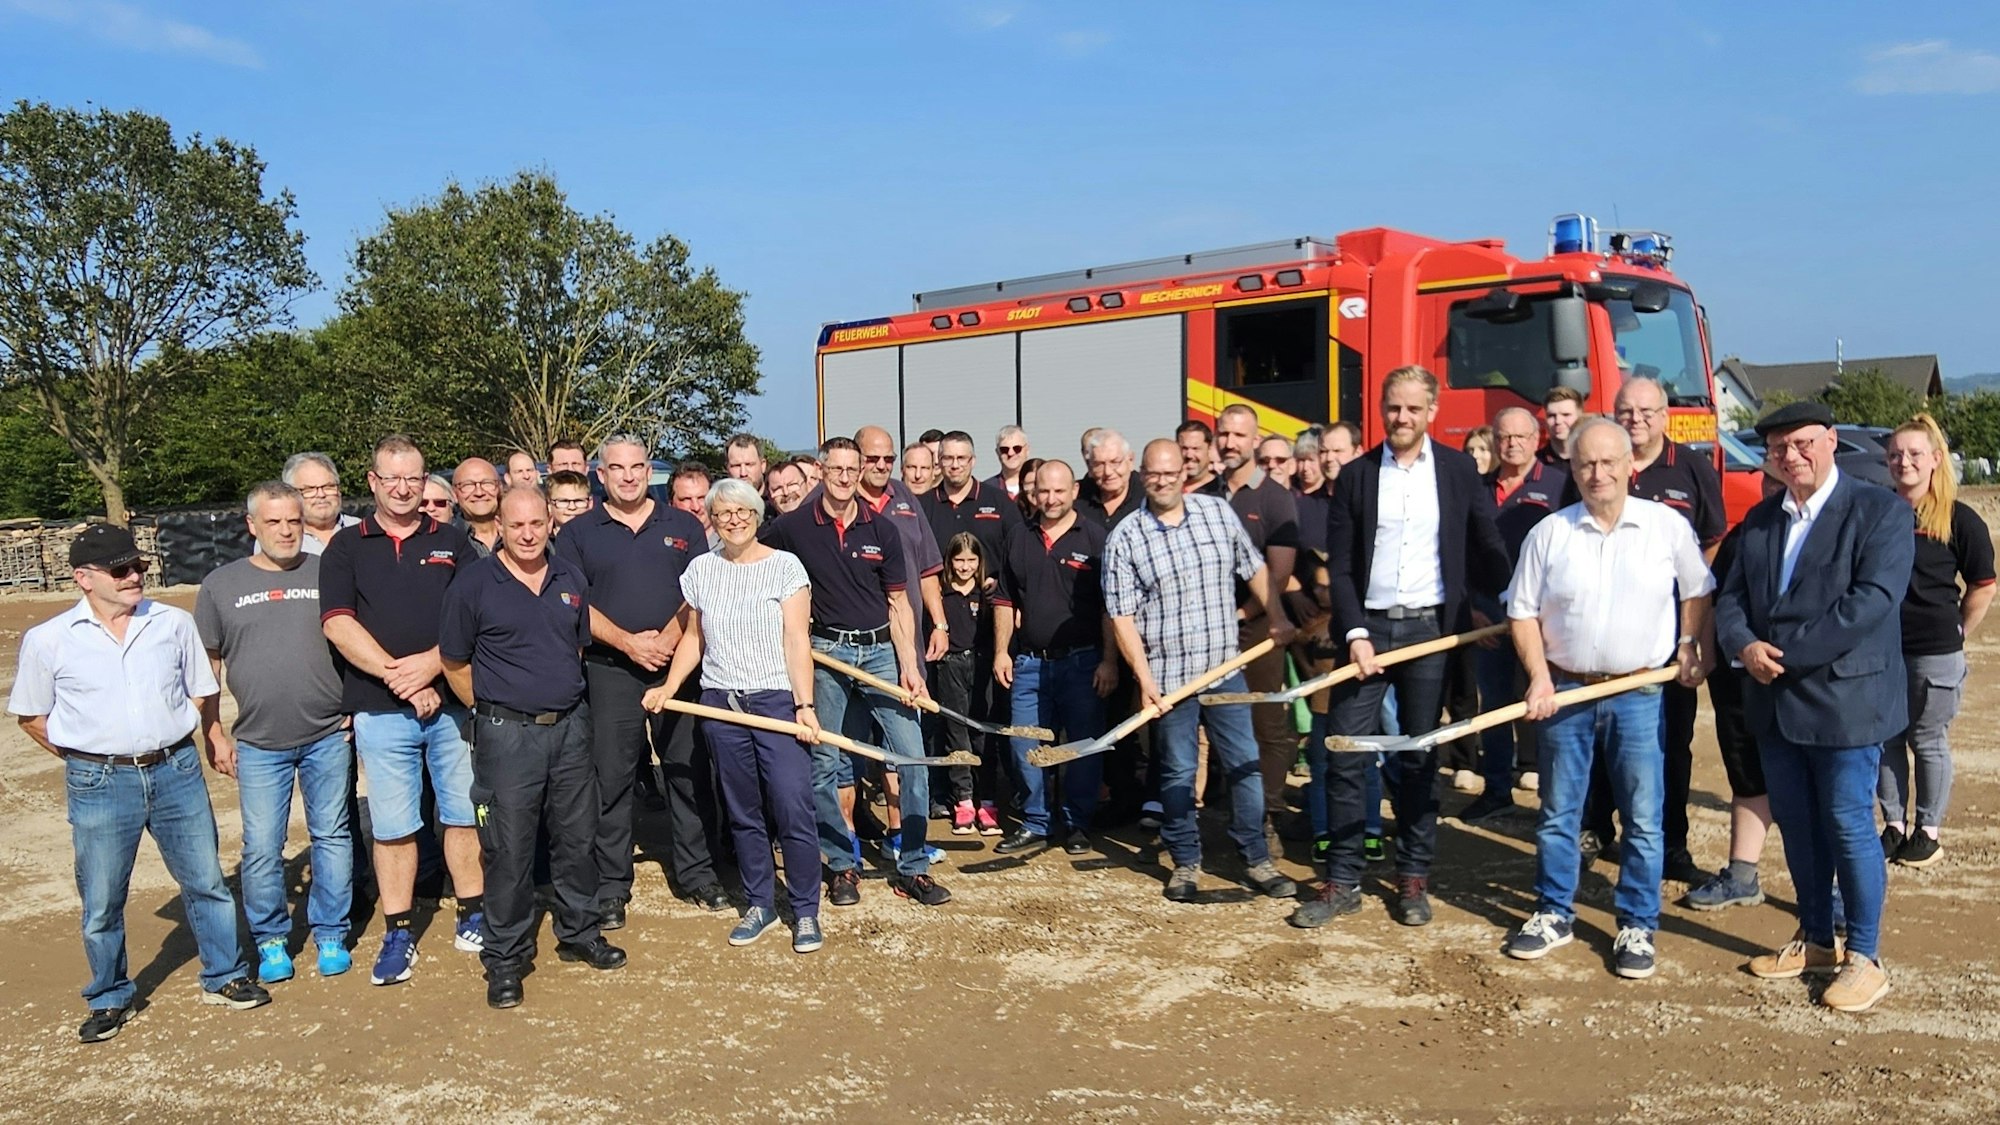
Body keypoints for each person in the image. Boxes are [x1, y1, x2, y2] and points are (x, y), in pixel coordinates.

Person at [10, 524, 273, 1041]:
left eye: (139, 567)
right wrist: (87, 756)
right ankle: (109, 996)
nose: (134, 576)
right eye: (120, 570)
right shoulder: (49, 640)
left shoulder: (172, 624)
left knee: (206, 882)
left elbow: (203, 690)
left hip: (175, 770)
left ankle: (225, 975)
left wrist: (214, 736)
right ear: (84, 578)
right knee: (103, 895)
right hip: (100, 781)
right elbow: (31, 716)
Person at [1500, 418, 1715, 979]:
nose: (1598, 473)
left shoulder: (1665, 527)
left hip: (1639, 691)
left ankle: (1637, 923)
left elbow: (1698, 589)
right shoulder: (1549, 533)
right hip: (1566, 691)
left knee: (1643, 817)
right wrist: (1539, 677)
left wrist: (1690, 644)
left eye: (1607, 462)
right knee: (1558, 814)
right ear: (1572, 469)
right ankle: (1553, 912)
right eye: (1586, 464)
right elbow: (1520, 612)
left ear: (1628, 467)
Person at [1718, 401, 1915, 1014]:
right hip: (1774, 703)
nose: (1791, 456)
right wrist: (1743, 645)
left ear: (1830, 441)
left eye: (1803, 443)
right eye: (1779, 448)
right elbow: (1729, 600)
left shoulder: (1878, 510)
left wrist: (1782, 654)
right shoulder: (1756, 523)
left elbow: (1871, 601)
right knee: (1799, 828)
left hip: (1846, 702)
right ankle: (1816, 937)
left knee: (1848, 823)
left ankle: (1865, 956)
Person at [1296, 365, 1509, 930]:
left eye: (1413, 409)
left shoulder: (1460, 471)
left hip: (1430, 632)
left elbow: (1485, 543)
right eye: (1393, 408)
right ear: (1382, 408)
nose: (1402, 418)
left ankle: (1413, 875)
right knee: (1343, 751)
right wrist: (1356, 632)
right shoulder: (1360, 476)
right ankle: (1341, 880)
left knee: (1419, 754)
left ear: (1432, 411)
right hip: (1367, 631)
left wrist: (1512, 602)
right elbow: (1340, 565)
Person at [440, 488, 624, 1009]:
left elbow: (577, 643)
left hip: (569, 728)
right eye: (516, 524)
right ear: (499, 524)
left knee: (576, 836)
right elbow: (455, 663)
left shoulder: (569, 577)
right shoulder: (474, 584)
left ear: (550, 523)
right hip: (507, 736)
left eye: (536, 524)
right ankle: (505, 957)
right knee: (509, 848)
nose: (527, 534)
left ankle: (580, 931)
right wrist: (495, 712)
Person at [320, 434, 486, 986]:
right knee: (393, 824)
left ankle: (473, 913)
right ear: (371, 482)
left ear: (424, 483)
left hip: (451, 708)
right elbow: (339, 625)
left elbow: (472, 619)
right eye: (391, 478)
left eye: (412, 478)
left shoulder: (454, 542)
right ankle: (397, 931)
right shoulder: (347, 548)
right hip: (380, 709)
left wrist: (434, 667)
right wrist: (404, 678)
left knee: (462, 814)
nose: (402, 488)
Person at [1102, 438, 1297, 904]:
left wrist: (1277, 614)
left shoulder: (1216, 514)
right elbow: (1122, 617)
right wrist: (1145, 681)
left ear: (1183, 474)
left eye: (1171, 473)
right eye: (1154, 473)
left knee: (1245, 764)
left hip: (1225, 669)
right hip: (1169, 682)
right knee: (1177, 772)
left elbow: (1252, 568)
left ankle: (1255, 856)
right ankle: (1185, 860)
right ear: (1142, 476)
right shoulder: (1126, 536)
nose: (1163, 480)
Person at [764, 437, 951, 906]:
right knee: (826, 762)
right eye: (837, 469)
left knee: (911, 760)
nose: (846, 477)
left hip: (881, 653)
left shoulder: (883, 529)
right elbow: (752, 560)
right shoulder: (795, 528)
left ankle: (913, 867)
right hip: (826, 653)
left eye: (854, 468)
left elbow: (899, 605)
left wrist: (910, 668)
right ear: (822, 473)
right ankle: (842, 866)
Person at [554, 435, 730, 926]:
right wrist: (630, 643)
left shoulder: (683, 526)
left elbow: (699, 593)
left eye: (636, 467)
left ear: (648, 470)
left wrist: (668, 643)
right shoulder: (579, 532)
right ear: (601, 474)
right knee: (611, 780)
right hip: (611, 670)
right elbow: (573, 603)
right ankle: (612, 885)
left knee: (686, 771)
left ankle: (698, 873)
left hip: (677, 668)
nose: (628, 476)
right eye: (617, 468)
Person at [644, 479, 825, 953]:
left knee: (791, 805)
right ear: (712, 519)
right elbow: (693, 640)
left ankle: (805, 911)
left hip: (776, 702)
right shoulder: (702, 569)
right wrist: (667, 686)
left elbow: (796, 640)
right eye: (723, 513)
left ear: (756, 514)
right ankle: (760, 904)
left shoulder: (785, 567)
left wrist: (804, 706)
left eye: (742, 511)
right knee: (742, 810)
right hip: (721, 703)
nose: (734, 519)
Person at [196, 482, 354, 984]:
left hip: (328, 735)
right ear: (252, 525)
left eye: (294, 521)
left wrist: (356, 702)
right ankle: (270, 939)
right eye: (274, 522)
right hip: (260, 743)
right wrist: (214, 731)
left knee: (331, 835)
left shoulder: (329, 571)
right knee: (263, 846)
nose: (286, 531)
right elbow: (208, 667)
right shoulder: (221, 585)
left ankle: (330, 930)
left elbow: (355, 638)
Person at [1613, 376, 1726, 885]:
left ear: (1663, 416)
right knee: (1602, 740)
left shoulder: (1693, 468)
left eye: (1644, 411)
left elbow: (1712, 544)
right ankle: (1598, 829)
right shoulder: (1602, 465)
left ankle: (1673, 845)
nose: (1634, 419)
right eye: (1625, 411)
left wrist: (1693, 631)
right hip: (1609, 635)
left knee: (1670, 744)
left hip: (1670, 636)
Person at [1877, 413, 1994, 867]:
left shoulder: (1959, 519)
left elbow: (1983, 584)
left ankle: (1927, 831)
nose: (1903, 462)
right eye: (1895, 454)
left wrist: (1960, 628)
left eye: (1913, 454)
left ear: (1935, 460)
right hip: (1883, 651)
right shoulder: (1879, 511)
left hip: (1935, 652)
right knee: (1886, 738)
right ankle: (1892, 825)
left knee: (1926, 739)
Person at [992, 461, 1116, 855]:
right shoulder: (1018, 537)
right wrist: (1001, 652)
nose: (1051, 498)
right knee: (1024, 745)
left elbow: (1111, 607)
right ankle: (1035, 822)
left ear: (1074, 491)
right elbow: (1004, 599)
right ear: (1033, 493)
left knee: (1081, 747)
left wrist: (1110, 661)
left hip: (1083, 663)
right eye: (1043, 491)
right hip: (1029, 663)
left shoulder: (1097, 539)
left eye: (1059, 491)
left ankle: (1076, 823)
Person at [1682, 469, 1787, 912]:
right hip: (1738, 677)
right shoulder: (1743, 534)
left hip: (1798, 679)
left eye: (1780, 481)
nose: (1773, 488)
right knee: (1746, 775)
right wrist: (1701, 655)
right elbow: (1718, 601)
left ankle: (1834, 887)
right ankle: (1742, 874)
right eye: (1768, 478)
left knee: (1819, 787)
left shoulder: (1831, 531)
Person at [1459, 407, 1570, 821]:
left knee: (1546, 701)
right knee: (1494, 703)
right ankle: (1496, 789)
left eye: (1521, 437)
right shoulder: (1477, 488)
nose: (1513, 444)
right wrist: (1471, 608)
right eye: (1505, 437)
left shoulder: (1559, 486)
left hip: (1542, 615)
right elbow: (1461, 551)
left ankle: (1554, 796)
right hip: (1487, 612)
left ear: (1536, 438)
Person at [1204, 404, 1302, 838]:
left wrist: (1241, 614)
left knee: (1267, 724)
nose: (1229, 443)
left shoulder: (1276, 498)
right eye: (1223, 434)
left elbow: (1277, 575)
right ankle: (1231, 810)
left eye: (1238, 436)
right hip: (1211, 632)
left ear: (1255, 441)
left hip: (1258, 628)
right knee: (1217, 722)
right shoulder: (1204, 495)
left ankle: (1269, 816)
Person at [935, 533, 1003, 837]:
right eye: (959, 560)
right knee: (956, 734)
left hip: (981, 665)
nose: (964, 567)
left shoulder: (987, 594)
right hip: (950, 665)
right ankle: (963, 801)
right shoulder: (941, 593)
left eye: (971, 560)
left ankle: (986, 800)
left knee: (983, 734)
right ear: (950, 561)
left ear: (980, 562)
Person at [927, 428, 1022, 568]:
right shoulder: (923, 505)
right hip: (938, 589)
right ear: (939, 462)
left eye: (961, 458)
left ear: (973, 461)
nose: (955, 465)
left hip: (990, 589)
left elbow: (1019, 552)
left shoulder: (999, 502)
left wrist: (999, 581)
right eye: (948, 458)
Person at [281, 452, 363, 554]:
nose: (321, 494)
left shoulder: (362, 530)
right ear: (291, 495)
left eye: (328, 487)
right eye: (309, 489)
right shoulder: (281, 539)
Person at [1080, 429, 1144, 530]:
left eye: (1115, 462)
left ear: (1130, 460)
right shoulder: (1077, 498)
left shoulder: (1148, 497)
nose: (1108, 472)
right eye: (1099, 465)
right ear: (1090, 467)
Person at [452, 457, 503, 557]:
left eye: (487, 483)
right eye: (468, 485)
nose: (479, 493)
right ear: (454, 494)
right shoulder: (448, 540)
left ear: (499, 488)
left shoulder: (518, 533)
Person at [672, 462, 719, 548]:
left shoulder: (730, 543)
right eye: (686, 499)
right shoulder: (663, 544)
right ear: (670, 503)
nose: (696, 507)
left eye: (701, 498)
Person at [1540, 387, 1583, 466]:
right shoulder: (1536, 463)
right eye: (1551, 416)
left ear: (1579, 417)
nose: (1558, 421)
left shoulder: (1593, 460)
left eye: (1566, 415)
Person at [988, 424, 1032, 499]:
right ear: (997, 452)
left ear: (1027, 450)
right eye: (1004, 449)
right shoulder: (987, 490)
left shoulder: (1039, 486)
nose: (1010, 453)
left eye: (1017, 448)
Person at [1176, 420, 1218, 493]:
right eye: (1184, 448)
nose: (1189, 455)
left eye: (1196, 448)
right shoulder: (1163, 489)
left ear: (1209, 449)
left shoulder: (1221, 491)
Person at [1321, 420, 1362, 484]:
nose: (1329, 458)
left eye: (1337, 451)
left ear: (1357, 453)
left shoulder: (1376, 491)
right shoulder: (1309, 494)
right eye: (1323, 451)